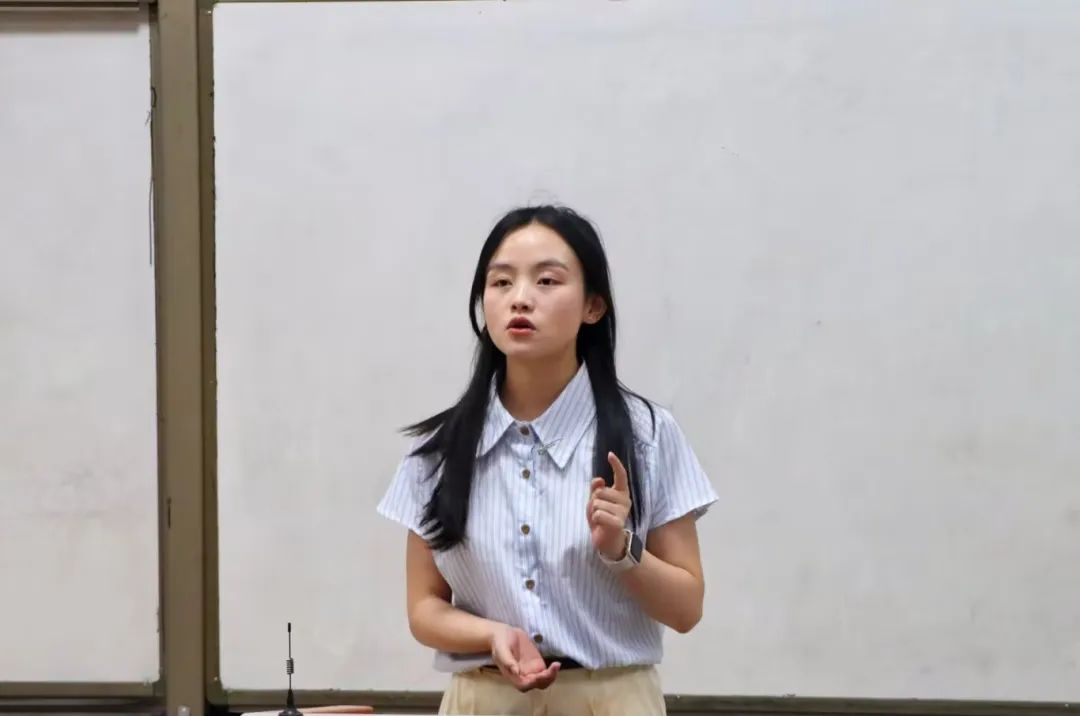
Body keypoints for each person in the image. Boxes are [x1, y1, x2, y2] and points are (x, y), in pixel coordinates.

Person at [377, 205, 717, 715]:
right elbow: (424, 607)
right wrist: (492, 635)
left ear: (593, 306)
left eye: (547, 281)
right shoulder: (440, 450)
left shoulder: (647, 436)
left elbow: (687, 609)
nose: (520, 298)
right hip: (483, 700)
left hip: (612, 700)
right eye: (501, 282)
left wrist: (622, 550)